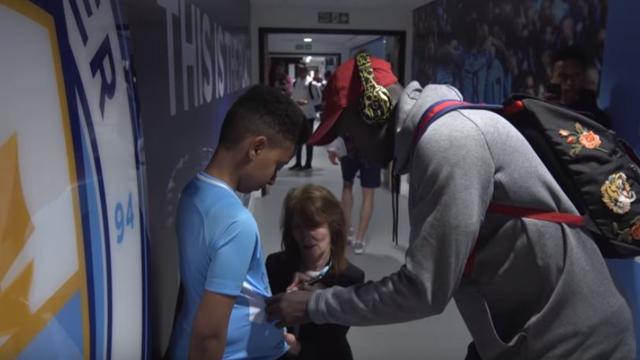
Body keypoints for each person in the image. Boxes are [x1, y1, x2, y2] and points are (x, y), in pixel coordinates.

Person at [265, 54, 635, 359]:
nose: (349, 147)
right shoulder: (439, 136)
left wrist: (314, 305)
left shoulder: (449, 142)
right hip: (529, 336)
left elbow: (425, 291)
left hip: (572, 346)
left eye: (347, 134)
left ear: (374, 108)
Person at [167, 85, 310, 360]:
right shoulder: (237, 222)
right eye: (277, 166)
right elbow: (209, 334)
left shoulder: (192, 192)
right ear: (256, 148)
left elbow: (195, 285)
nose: (273, 179)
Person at [266, 184, 365, 359]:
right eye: (298, 227)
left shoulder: (349, 278)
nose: (305, 235)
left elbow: (333, 340)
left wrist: (296, 348)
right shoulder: (275, 265)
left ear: (333, 227)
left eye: (313, 226)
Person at [326, 137, 381, 254]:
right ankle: (359, 240)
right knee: (368, 193)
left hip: (350, 142)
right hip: (373, 146)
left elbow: (338, 119)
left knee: (347, 186)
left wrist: (334, 147)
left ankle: (348, 231)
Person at [545, 46, 611, 128]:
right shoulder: (538, 113)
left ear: (584, 77)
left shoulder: (598, 120)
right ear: (552, 77)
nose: (569, 82)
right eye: (562, 76)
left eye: (576, 75)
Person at [289, 64, 322, 171]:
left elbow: (318, 99)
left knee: (308, 140)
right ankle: (298, 162)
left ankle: (308, 163)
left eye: (302, 70)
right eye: (299, 70)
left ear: (306, 71)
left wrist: (307, 102)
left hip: (308, 115)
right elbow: (293, 96)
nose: (300, 72)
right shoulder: (296, 82)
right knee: (298, 140)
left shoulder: (311, 84)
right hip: (298, 114)